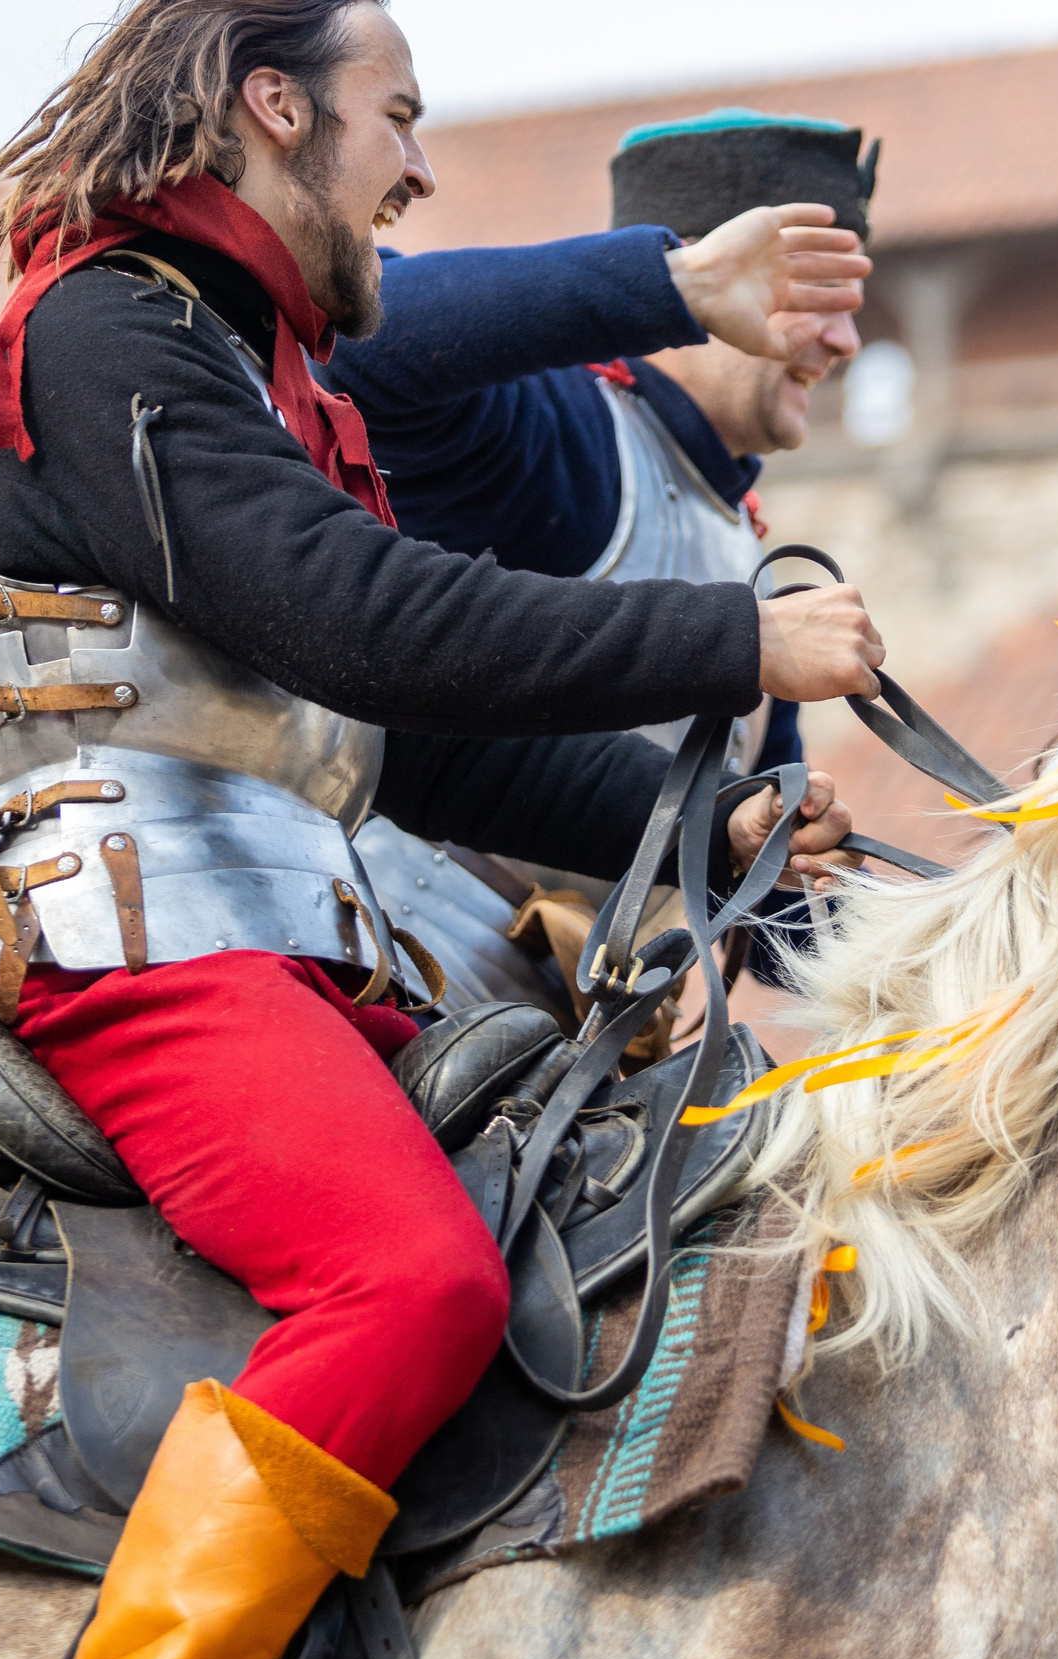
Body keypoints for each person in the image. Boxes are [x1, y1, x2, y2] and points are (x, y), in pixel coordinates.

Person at [0, 3, 884, 1659]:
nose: (420, 169)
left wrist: (697, 822)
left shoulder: (238, 367)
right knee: (411, 1279)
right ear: (277, 108)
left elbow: (394, 736)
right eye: (399, 117)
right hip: (137, 943)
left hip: (301, 944)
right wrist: (731, 640)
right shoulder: (108, 330)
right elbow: (363, 620)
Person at [321, 110, 879, 1016]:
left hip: (577, 1046)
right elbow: (360, 341)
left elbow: (767, 892)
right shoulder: (560, 428)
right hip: (407, 979)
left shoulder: (746, 555)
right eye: (820, 293)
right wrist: (669, 285)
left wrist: (989, 921)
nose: (847, 343)